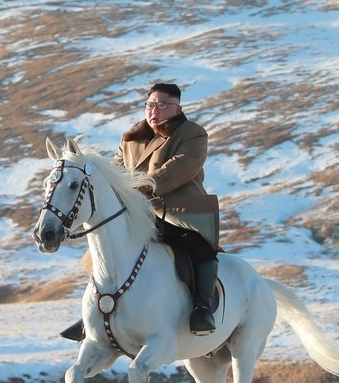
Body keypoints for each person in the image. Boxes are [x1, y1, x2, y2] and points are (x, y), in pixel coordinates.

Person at [61, 82, 220, 341]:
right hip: (138, 213)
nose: (153, 110)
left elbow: (180, 168)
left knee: (200, 250)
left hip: (179, 212)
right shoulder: (131, 137)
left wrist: (143, 186)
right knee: (103, 252)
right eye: (149, 105)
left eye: (161, 105)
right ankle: (95, 313)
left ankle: (202, 309)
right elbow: (116, 170)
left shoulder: (193, 134)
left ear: (177, 108)